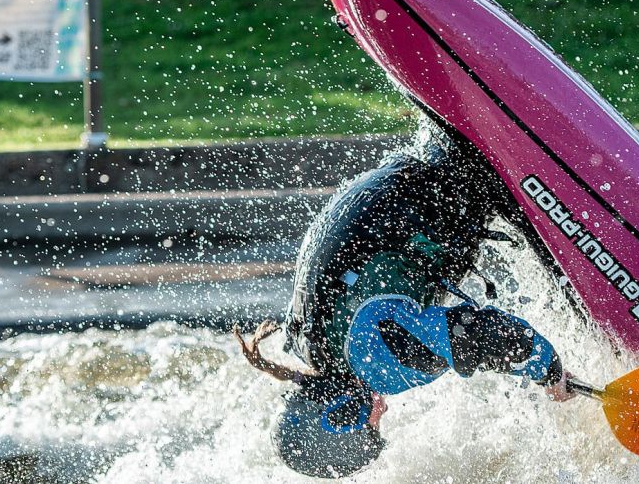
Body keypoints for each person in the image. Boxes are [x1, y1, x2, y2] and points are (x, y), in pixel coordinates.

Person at [235, 140, 575, 478]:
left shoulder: (377, 365)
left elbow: (478, 336)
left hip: (464, 185)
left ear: (343, 413)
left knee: (569, 279)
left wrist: (549, 372)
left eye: (373, 426)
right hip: (424, 167)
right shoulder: (309, 345)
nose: (382, 411)